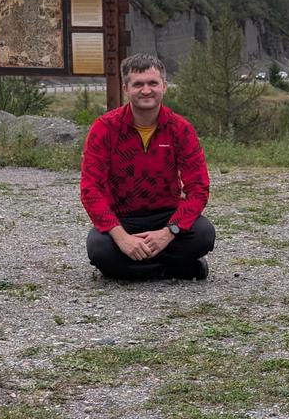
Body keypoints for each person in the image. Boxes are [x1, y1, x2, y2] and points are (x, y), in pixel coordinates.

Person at [80, 53, 216, 280]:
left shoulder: (180, 129)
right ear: (126, 88)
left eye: (153, 83)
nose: (146, 91)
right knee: (99, 249)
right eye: (138, 84)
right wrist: (122, 238)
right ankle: (180, 268)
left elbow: (198, 188)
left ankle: (134, 271)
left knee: (203, 234)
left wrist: (169, 232)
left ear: (164, 85)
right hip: (123, 218)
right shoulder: (104, 128)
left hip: (167, 215)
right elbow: (90, 189)